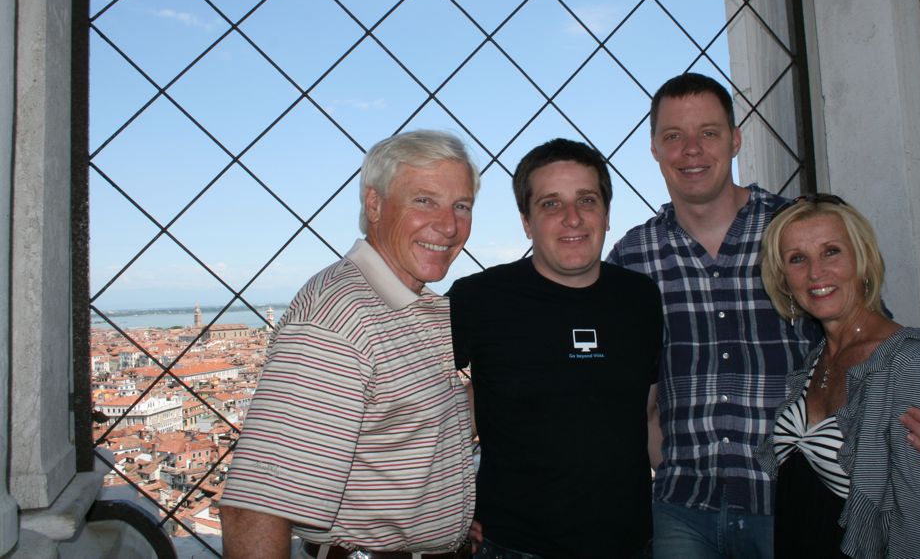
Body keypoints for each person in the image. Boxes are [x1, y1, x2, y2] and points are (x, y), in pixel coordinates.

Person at [606, 72, 920, 558]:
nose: (692, 150)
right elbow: (613, 384)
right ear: (654, 148)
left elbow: (873, 346)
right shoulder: (633, 256)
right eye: (674, 136)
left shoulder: (797, 236)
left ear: (736, 140)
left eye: (709, 133)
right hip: (683, 510)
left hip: (788, 508)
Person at [220, 130, 479, 559]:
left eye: (461, 206)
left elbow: (413, 433)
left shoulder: (406, 305)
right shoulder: (337, 319)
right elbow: (254, 510)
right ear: (374, 205)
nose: (449, 225)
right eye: (424, 200)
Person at [448, 139, 663, 559]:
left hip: (632, 544)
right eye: (550, 204)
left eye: (587, 199)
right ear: (526, 222)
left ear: (606, 213)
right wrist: (444, 507)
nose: (572, 218)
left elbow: (647, 413)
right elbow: (414, 408)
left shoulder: (639, 298)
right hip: (511, 546)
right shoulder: (479, 298)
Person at [755, 194, 920, 558]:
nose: (816, 273)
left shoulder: (909, 363)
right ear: (785, 280)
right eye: (797, 259)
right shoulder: (817, 358)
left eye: (831, 251)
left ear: (862, 261)